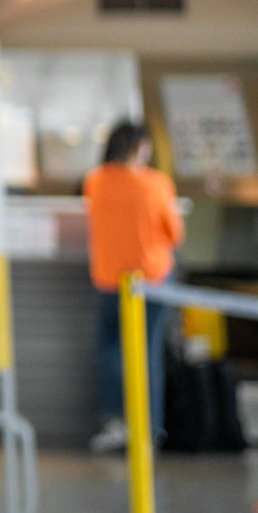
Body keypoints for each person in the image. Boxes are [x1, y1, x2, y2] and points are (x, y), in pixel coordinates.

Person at [84, 119, 184, 454]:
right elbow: (174, 233)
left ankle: (115, 423)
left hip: (109, 278)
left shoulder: (95, 181)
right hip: (151, 279)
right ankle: (148, 429)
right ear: (140, 147)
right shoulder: (156, 183)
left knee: (110, 350)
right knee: (147, 351)